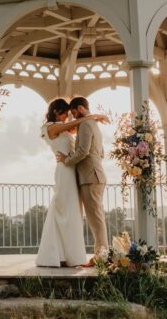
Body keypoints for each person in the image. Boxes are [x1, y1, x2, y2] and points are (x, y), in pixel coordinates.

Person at [35, 98, 108, 267]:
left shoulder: (76, 127)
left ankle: (70, 254)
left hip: (75, 172)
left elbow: (85, 138)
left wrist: (91, 117)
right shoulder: (51, 128)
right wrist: (93, 116)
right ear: (55, 111)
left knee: (72, 213)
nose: (69, 118)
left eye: (71, 113)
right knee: (63, 210)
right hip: (65, 171)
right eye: (66, 114)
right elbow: (80, 124)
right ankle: (57, 253)